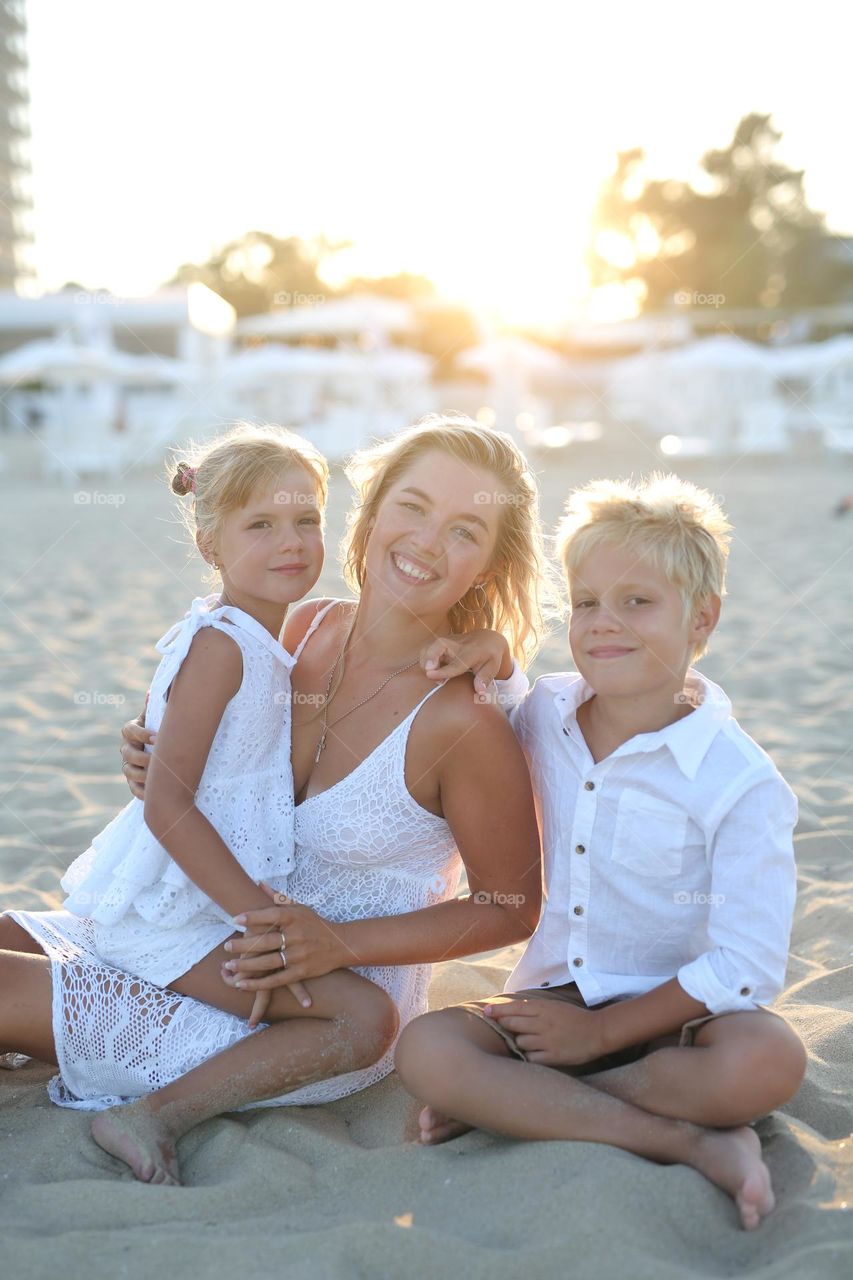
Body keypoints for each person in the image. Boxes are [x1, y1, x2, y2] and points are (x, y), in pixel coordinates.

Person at [1, 415, 551, 1185]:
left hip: (313, 1013)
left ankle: (153, 1111)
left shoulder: (464, 720)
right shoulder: (305, 625)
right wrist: (154, 754)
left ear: (490, 565)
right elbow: (219, 762)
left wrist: (340, 944)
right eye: (413, 506)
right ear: (372, 510)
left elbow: (510, 907)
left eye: (464, 531)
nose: (426, 541)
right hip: (207, 926)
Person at [394, 472, 808, 1231]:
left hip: (684, 1018)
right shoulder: (544, 713)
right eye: (585, 602)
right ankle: (684, 1141)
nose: (603, 624)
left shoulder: (739, 780)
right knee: (426, 1050)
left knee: (768, 1060)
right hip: (557, 998)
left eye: (637, 602)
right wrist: (490, 648)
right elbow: (497, 692)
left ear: (701, 619)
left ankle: (527, 1108)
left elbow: (745, 964)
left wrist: (606, 1035)